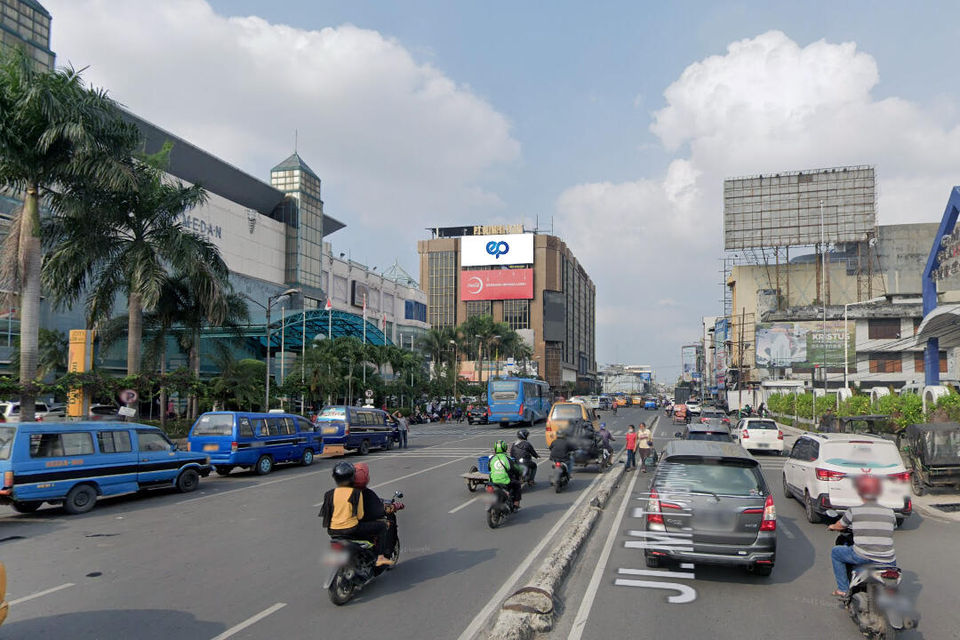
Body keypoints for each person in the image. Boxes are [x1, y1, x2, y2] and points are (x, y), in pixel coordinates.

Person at [827, 474, 896, 598]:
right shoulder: (890, 512)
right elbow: (893, 527)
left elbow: (840, 526)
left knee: (836, 552)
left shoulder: (854, 511)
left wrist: (832, 527)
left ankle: (842, 589)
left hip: (863, 555)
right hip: (889, 559)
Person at [319, 462, 393, 567]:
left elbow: (326, 514)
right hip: (351, 529)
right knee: (382, 526)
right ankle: (381, 557)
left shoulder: (329, 494)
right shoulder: (356, 493)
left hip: (332, 531)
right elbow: (360, 516)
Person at [353, 462, 398, 558]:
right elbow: (379, 510)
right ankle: (384, 554)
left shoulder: (344, 492)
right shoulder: (366, 493)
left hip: (338, 528)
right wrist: (395, 506)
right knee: (385, 525)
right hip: (359, 526)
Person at [489, 440, 522, 510]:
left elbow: (489, 468)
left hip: (493, 482)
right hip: (505, 482)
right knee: (517, 485)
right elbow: (516, 469)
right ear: (505, 448)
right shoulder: (508, 459)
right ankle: (516, 505)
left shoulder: (492, 459)